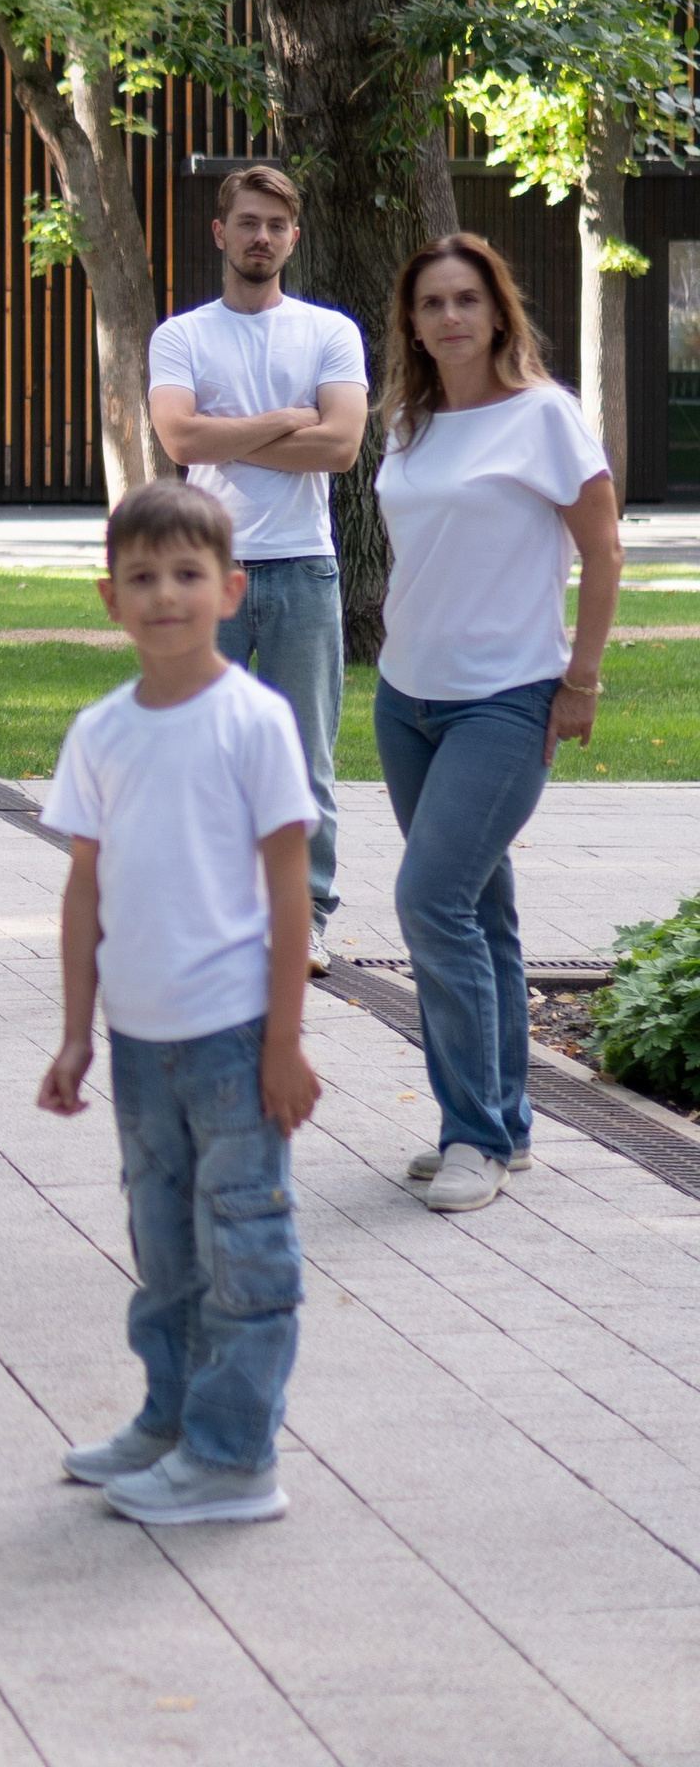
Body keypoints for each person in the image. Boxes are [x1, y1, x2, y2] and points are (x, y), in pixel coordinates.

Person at [37, 480, 321, 1528]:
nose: (165, 595)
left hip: (235, 1041)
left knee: (243, 1247)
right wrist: (75, 1031)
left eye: (187, 574)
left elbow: (289, 885)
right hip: (138, 1044)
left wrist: (284, 1041)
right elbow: (83, 889)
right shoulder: (100, 731)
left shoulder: (254, 719)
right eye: (143, 577)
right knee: (163, 1253)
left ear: (231, 588)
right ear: (110, 597)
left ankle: (234, 1454)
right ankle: (169, 1419)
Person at [373, 234, 620, 1212]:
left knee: (430, 899)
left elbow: (601, 552)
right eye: (430, 302)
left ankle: (469, 1132)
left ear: (497, 308)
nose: (448, 317)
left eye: (465, 298)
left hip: (507, 697)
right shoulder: (408, 421)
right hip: (406, 698)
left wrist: (582, 679)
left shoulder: (544, 417)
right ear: (413, 322)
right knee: (481, 912)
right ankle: (504, 1124)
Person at [147, 164, 367, 972]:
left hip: (304, 569)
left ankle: (301, 918)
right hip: (207, 572)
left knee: (303, 754)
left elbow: (340, 446)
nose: (261, 237)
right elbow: (179, 441)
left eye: (276, 225)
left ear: (293, 238)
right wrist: (282, 421)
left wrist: (225, 430)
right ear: (221, 232)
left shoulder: (329, 332)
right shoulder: (182, 336)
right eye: (247, 222)